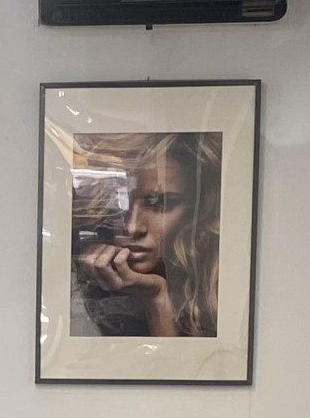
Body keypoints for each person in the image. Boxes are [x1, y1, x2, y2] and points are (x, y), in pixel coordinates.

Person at [70, 132, 222, 338]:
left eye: (160, 203)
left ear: (200, 208)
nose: (133, 227)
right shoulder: (80, 288)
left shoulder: (221, 292)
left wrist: (157, 298)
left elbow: (175, 360)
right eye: (118, 204)